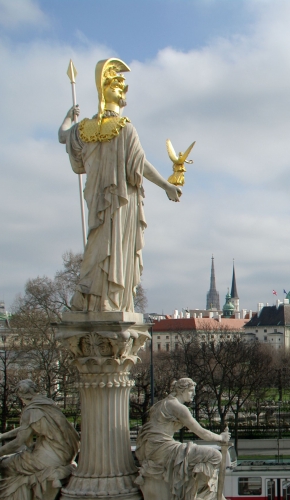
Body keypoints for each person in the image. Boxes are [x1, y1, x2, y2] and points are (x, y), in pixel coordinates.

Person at [57, 58, 183, 313]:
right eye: (117, 85)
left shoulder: (89, 129)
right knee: (109, 246)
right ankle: (103, 298)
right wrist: (166, 186)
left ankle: (100, 298)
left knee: (105, 245)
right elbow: (141, 164)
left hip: (107, 201)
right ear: (103, 90)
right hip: (116, 202)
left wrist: (68, 119)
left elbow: (63, 135)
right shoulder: (121, 129)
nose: (123, 89)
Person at [0, 380, 79, 500]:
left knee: (2, 465)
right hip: (65, 453)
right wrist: (1, 437)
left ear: (20, 395)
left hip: (49, 457)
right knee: (14, 459)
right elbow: (28, 426)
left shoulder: (30, 411)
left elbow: (18, 442)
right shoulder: (47, 404)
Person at [135, 378, 232, 500]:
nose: (193, 394)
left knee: (202, 458)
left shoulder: (161, 404)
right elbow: (201, 433)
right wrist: (221, 438)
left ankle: (205, 497)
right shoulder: (177, 407)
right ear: (182, 390)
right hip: (162, 449)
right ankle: (193, 498)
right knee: (215, 456)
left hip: (154, 447)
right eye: (191, 391)